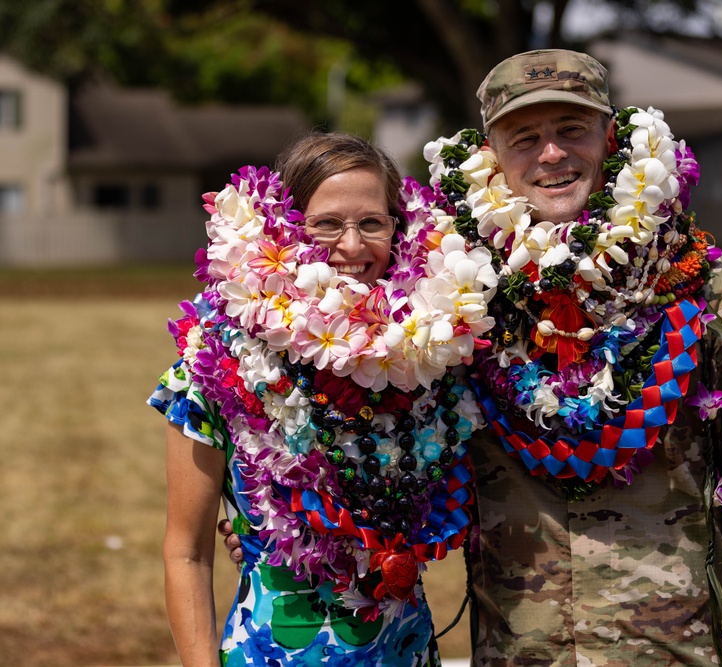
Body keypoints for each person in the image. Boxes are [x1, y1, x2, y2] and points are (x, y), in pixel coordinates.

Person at [226, 50, 722, 667]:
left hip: (675, 650)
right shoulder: (449, 299)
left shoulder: (696, 284)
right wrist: (268, 510)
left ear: (611, 137)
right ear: (492, 154)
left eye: (571, 130)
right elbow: (368, 432)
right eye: (525, 137)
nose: (551, 154)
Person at [151, 132, 487, 666]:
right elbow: (185, 552)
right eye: (326, 224)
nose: (352, 247)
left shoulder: (431, 362)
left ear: (398, 232)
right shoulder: (217, 364)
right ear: (283, 228)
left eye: (371, 223)